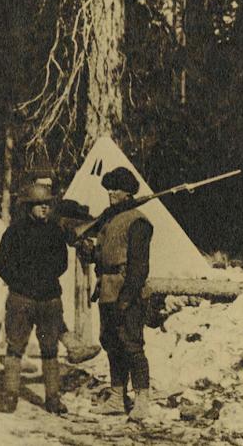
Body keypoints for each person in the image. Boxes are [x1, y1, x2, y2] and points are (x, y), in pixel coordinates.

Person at [79, 167, 153, 421]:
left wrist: (127, 297)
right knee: (112, 344)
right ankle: (117, 397)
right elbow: (101, 256)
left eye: (117, 188)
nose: (111, 192)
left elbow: (139, 266)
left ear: (129, 192)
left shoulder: (138, 222)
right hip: (107, 289)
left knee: (132, 344)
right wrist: (87, 251)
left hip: (127, 290)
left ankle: (142, 398)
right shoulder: (108, 220)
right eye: (109, 188)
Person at [0, 182, 69, 414]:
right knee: (15, 347)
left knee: (50, 349)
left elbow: (62, 263)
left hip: (49, 299)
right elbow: (1, 264)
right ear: (29, 206)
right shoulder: (15, 231)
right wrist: (20, 283)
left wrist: (46, 278)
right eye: (39, 205)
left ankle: (53, 398)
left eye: (47, 204)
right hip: (21, 299)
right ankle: (9, 396)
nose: (44, 209)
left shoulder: (56, 232)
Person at [25, 162, 101, 364]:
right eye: (42, 185)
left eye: (49, 186)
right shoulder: (26, 209)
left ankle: (72, 348)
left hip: (47, 273)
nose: (45, 191)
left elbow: (66, 215)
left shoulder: (53, 207)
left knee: (50, 312)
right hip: (29, 272)